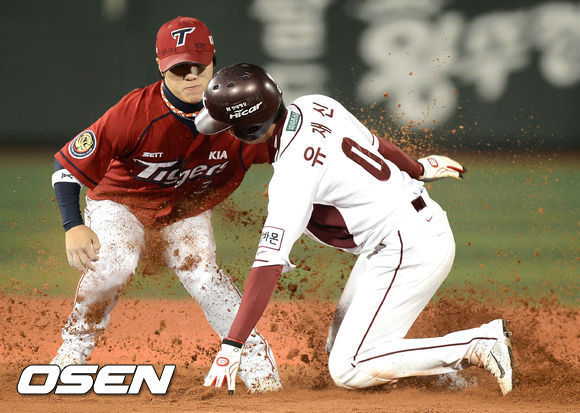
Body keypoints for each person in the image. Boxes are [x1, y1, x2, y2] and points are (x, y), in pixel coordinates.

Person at [195, 63, 514, 395]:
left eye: (228, 126)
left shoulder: (292, 176)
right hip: (407, 230)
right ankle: (449, 382)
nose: (224, 132)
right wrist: (418, 169)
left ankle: (479, 343)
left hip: (409, 247)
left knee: (349, 368)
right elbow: (376, 145)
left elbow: (268, 265)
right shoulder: (315, 104)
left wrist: (233, 345)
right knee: (340, 346)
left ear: (248, 130)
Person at [50, 18, 282, 393]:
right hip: (120, 203)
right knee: (114, 265)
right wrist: (73, 225)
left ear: (214, 62)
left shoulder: (239, 113)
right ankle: (73, 349)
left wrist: (288, 178)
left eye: (198, 66)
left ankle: (255, 361)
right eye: (178, 68)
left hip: (184, 209)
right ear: (160, 66)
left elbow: (295, 145)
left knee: (203, 277)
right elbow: (66, 167)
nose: (190, 76)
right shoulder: (135, 113)